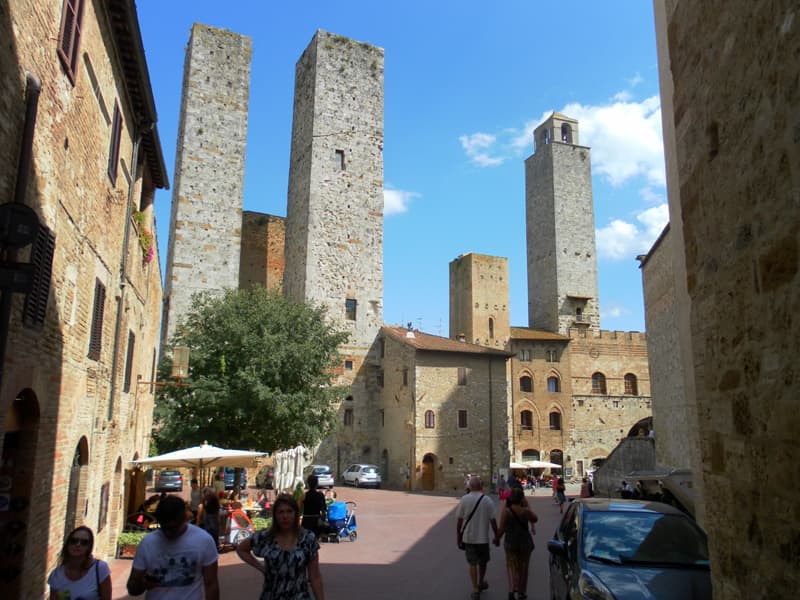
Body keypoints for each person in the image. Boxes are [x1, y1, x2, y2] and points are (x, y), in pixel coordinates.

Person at [127, 495, 219, 599]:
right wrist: (143, 584)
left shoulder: (204, 541)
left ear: (185, 518)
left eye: (173, 528)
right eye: (164, 527)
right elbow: (132, 587)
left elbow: (211, 584)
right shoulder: (147, 543)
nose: (168, 532)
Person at [236, 494, 325, 600]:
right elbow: (242, 549)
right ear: (275, 515)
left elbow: (315, 577)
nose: (285, 516)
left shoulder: (307, 539)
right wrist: (261, 567)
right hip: (272, 595)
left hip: (299, 596)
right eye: (281, 512)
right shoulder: (266, 537)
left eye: (289, 511)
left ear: (296, 514)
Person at [456, 476, 499, 600]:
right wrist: (496, 536)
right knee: (483, 562)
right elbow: (493, 521)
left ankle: (475, 589)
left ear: (469, 487)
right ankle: (480, 581)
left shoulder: (464, 499)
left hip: (468, 537)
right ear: (481, 487)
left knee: (472, 563)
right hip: (483, 538)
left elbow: (459, 520)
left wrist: (458, 537)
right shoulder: (487, 500)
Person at [495, 487, 538, 600]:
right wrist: (526, 507)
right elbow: (535, 519)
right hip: (524, 542)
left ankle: (511, 589)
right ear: (521, 498)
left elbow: (502, 529)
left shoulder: (507, 512)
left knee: (510, 565)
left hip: (510, 541)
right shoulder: (525, 511)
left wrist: (497, 538)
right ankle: (521, 592)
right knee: (524, 567)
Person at [48, 526, 111, 600]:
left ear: (89, 547)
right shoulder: (56, 575)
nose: (78, 545)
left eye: (84, 542)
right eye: (74, 541)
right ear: (68, 544)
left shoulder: (100, 569)